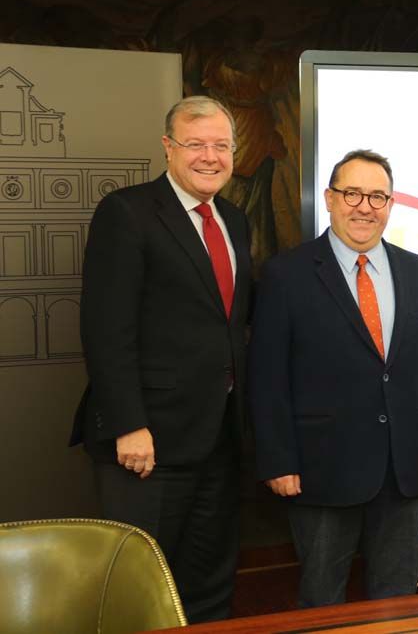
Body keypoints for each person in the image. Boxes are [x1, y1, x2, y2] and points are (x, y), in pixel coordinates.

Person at [249, 149, 418, 606]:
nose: (365, 206)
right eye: (352, 193)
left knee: (398, 598)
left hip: (403, 466)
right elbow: (266, 379)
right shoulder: (286, 274)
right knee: (322, 598)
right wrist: (277, 460)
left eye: (378, 196)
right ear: (329, 198)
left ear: (390, 204)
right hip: (321, 468)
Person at [71, 95, 252, 621]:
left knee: (211, 583)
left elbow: (229, 325)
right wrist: (128, 424)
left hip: (218, 436)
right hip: (147, 443)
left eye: (221, 145)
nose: (209, 156)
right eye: (195, 143)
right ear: (168, 148)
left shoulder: (234, 221)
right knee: (137, 585)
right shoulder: (127, 212)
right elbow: (105, 329)